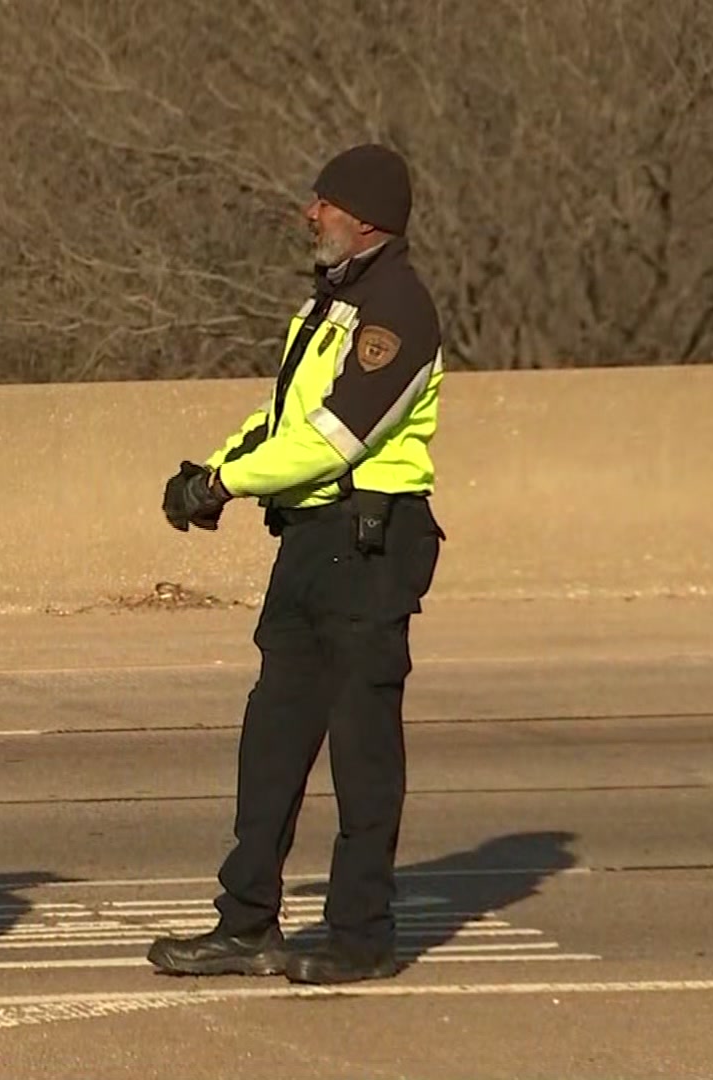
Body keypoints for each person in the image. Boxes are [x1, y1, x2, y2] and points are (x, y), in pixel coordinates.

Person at [151, 144, 447, 986]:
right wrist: (209, 470)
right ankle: (245, 925)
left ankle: (362, 937)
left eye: (324, 202)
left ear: (367, 216)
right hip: (312, 546)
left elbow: (336, 437)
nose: (309, 213)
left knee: (362, 751)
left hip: (371, 549)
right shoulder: (330, 304)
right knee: (273, 740)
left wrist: (226, 483)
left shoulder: (398, 308)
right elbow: (283, 415)